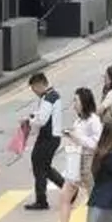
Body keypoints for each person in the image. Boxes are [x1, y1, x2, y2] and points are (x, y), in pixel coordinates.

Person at [51, 88, 102, 222]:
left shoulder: (93, 120)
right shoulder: (79, 120)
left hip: (87, 164)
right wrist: (71, 136)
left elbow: (95, 144)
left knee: (94, 199)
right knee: (64, 197)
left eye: (76, 101)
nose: (74, 104)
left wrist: (76, 137)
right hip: (75, 163)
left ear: (84, 102)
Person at [24, 72, 65, 210]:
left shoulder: (48, 98)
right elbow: (43, 115)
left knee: (39, 165)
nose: (34, 92)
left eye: (34, 88)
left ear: (40, 84)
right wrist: (33, 116)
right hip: (53, 137)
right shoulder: (53, 95)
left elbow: (42, 120)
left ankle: (42, 200)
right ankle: (67, 189)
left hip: (48, 138)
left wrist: (30, 121)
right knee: (44, 167)